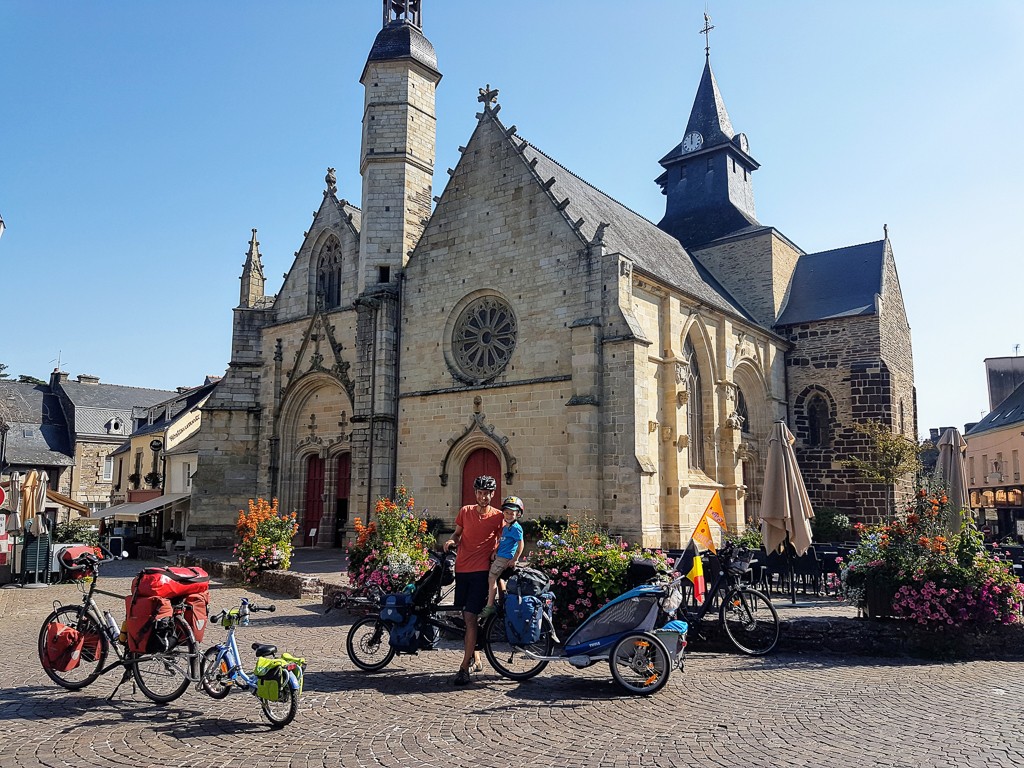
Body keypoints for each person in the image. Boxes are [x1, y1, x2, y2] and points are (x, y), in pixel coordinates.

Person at [443, 475, 504, 685]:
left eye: (487, 493)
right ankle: (475, 654)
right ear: (475, 493)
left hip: (480, 572)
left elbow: (506, 540)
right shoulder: (465, 511)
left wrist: (497, 552)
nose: (483, 496)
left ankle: (463, 668)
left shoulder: (498, 517)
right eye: (480, 492)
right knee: (467, 615)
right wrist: (452, 540)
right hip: (462, 570)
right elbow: (458, 534)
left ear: (492, 494)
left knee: (469, 617)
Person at [479, 496, 525, 620]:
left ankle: (490, 605)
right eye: (506, 513)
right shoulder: (506, 527)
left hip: (505, 558)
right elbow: (502, 541)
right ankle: (502, 601)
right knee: (499, 578)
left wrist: (515, 559)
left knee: (492, 577)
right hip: (500, 555)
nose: (509, 516)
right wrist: (495, 551)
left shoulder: (516, 528)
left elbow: (520, 544)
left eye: (512, 514)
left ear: (518, 514)